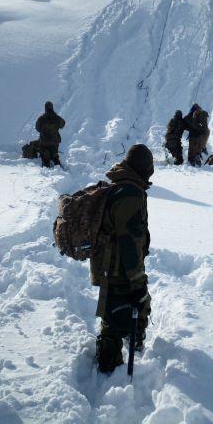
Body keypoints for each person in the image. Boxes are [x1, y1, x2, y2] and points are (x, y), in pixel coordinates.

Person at [91, 144, 153, 374]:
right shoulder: (130, 195)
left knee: (112, 311)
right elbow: (129, 242)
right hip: (120, 267)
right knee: (137, 303)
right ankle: (118, 353)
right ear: (144, 168)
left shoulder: (122, 186)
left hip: (109, 264)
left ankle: (110, 351)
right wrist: (137, 280)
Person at [35, 101, 65, 168]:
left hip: (44, 143)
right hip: (55, 143)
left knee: (45, 157)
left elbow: (37, 128)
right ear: (52, 108)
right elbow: (63, 124)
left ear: (45, 108)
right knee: (55, 156)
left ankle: (46, 168)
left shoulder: (41, 119)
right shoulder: (57, 118)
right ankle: (58, 168)